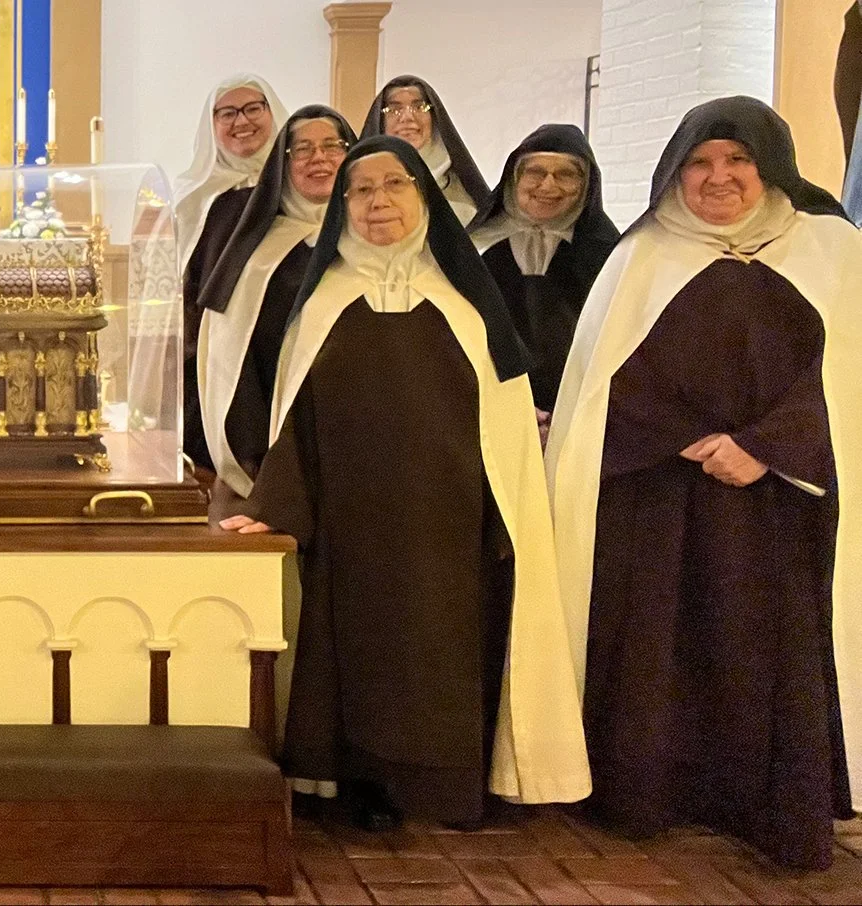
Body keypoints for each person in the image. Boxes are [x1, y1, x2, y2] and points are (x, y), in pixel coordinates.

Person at [222, 136, 589, 831]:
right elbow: (293, 424)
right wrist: (273, 508)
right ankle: (347, 784)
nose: (377, 201)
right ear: (342, 205)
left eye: (395, 185)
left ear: (425, 198)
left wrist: (505, 519)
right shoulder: (323, 301)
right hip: (351, 534)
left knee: (441, 661)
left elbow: (505, 430)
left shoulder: (468, 306)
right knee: (347, 660)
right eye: (360, 190)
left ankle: (443, 791)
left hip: (447, 535)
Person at [547, 96, 860, 870]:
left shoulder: (833, 251)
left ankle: (774, 807)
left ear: (772, 166)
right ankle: (651, 796)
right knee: (660, 652)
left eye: (737, 161)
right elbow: (605, 380)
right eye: (699, 164)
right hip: (661, 502)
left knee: (774, 651)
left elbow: (847, 377)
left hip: (785, 504)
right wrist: (686, 438)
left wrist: (766, 447)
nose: (718, 178)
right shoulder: (642, 255)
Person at [194, 104, 354, 497]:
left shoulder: (377, 237)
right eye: (302, 150)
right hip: (280, 435)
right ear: (283, 164)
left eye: (332, 146)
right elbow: (233, 355)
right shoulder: (260, 248)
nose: (319, 158)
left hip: (359, 425)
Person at [173, 75, 287, 475]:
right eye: (228, 113)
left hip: (279, 339)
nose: (242, 121)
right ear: (212, 125)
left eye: (254, 108)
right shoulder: (196, 196)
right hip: (212, 344)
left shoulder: (296, 188)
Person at [469, 124, 619, 414]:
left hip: (581, 412)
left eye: (566, 174)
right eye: (535, 172)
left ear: (585, 184)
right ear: (514, 178)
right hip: (491, 407)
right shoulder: (477, 249)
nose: (548, 185)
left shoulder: (609, 254)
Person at [360, 76, 491, 225]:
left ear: (434, 117)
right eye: (395, 109)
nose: (407, 117)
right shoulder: (359, 188)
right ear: (380, 120)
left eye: (419, 107)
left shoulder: (464, 200)